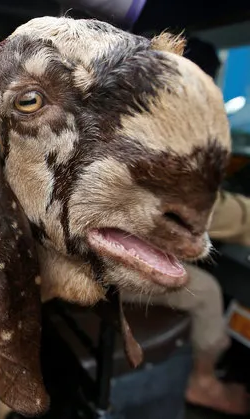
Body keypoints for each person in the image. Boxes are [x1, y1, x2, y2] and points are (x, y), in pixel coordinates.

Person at [122, 38, 249, 415]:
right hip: (99, 269)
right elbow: (200, 208)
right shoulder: (158, 131)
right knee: (207, 290)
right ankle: (203, 381)